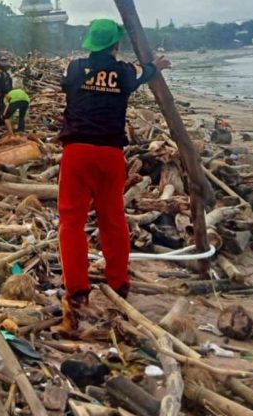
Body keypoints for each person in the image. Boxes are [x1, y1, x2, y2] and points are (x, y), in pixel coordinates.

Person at [57, 19, 171, 316]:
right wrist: (156, 65)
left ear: (90, 43)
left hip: (76, 152)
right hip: (110, 153)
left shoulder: (74, 67)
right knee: (113, 218)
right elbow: (144, 73)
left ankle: (78, 289)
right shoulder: (123, 72)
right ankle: (119, 282)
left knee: (71, 222)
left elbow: (66, 86)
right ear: (116, 46)